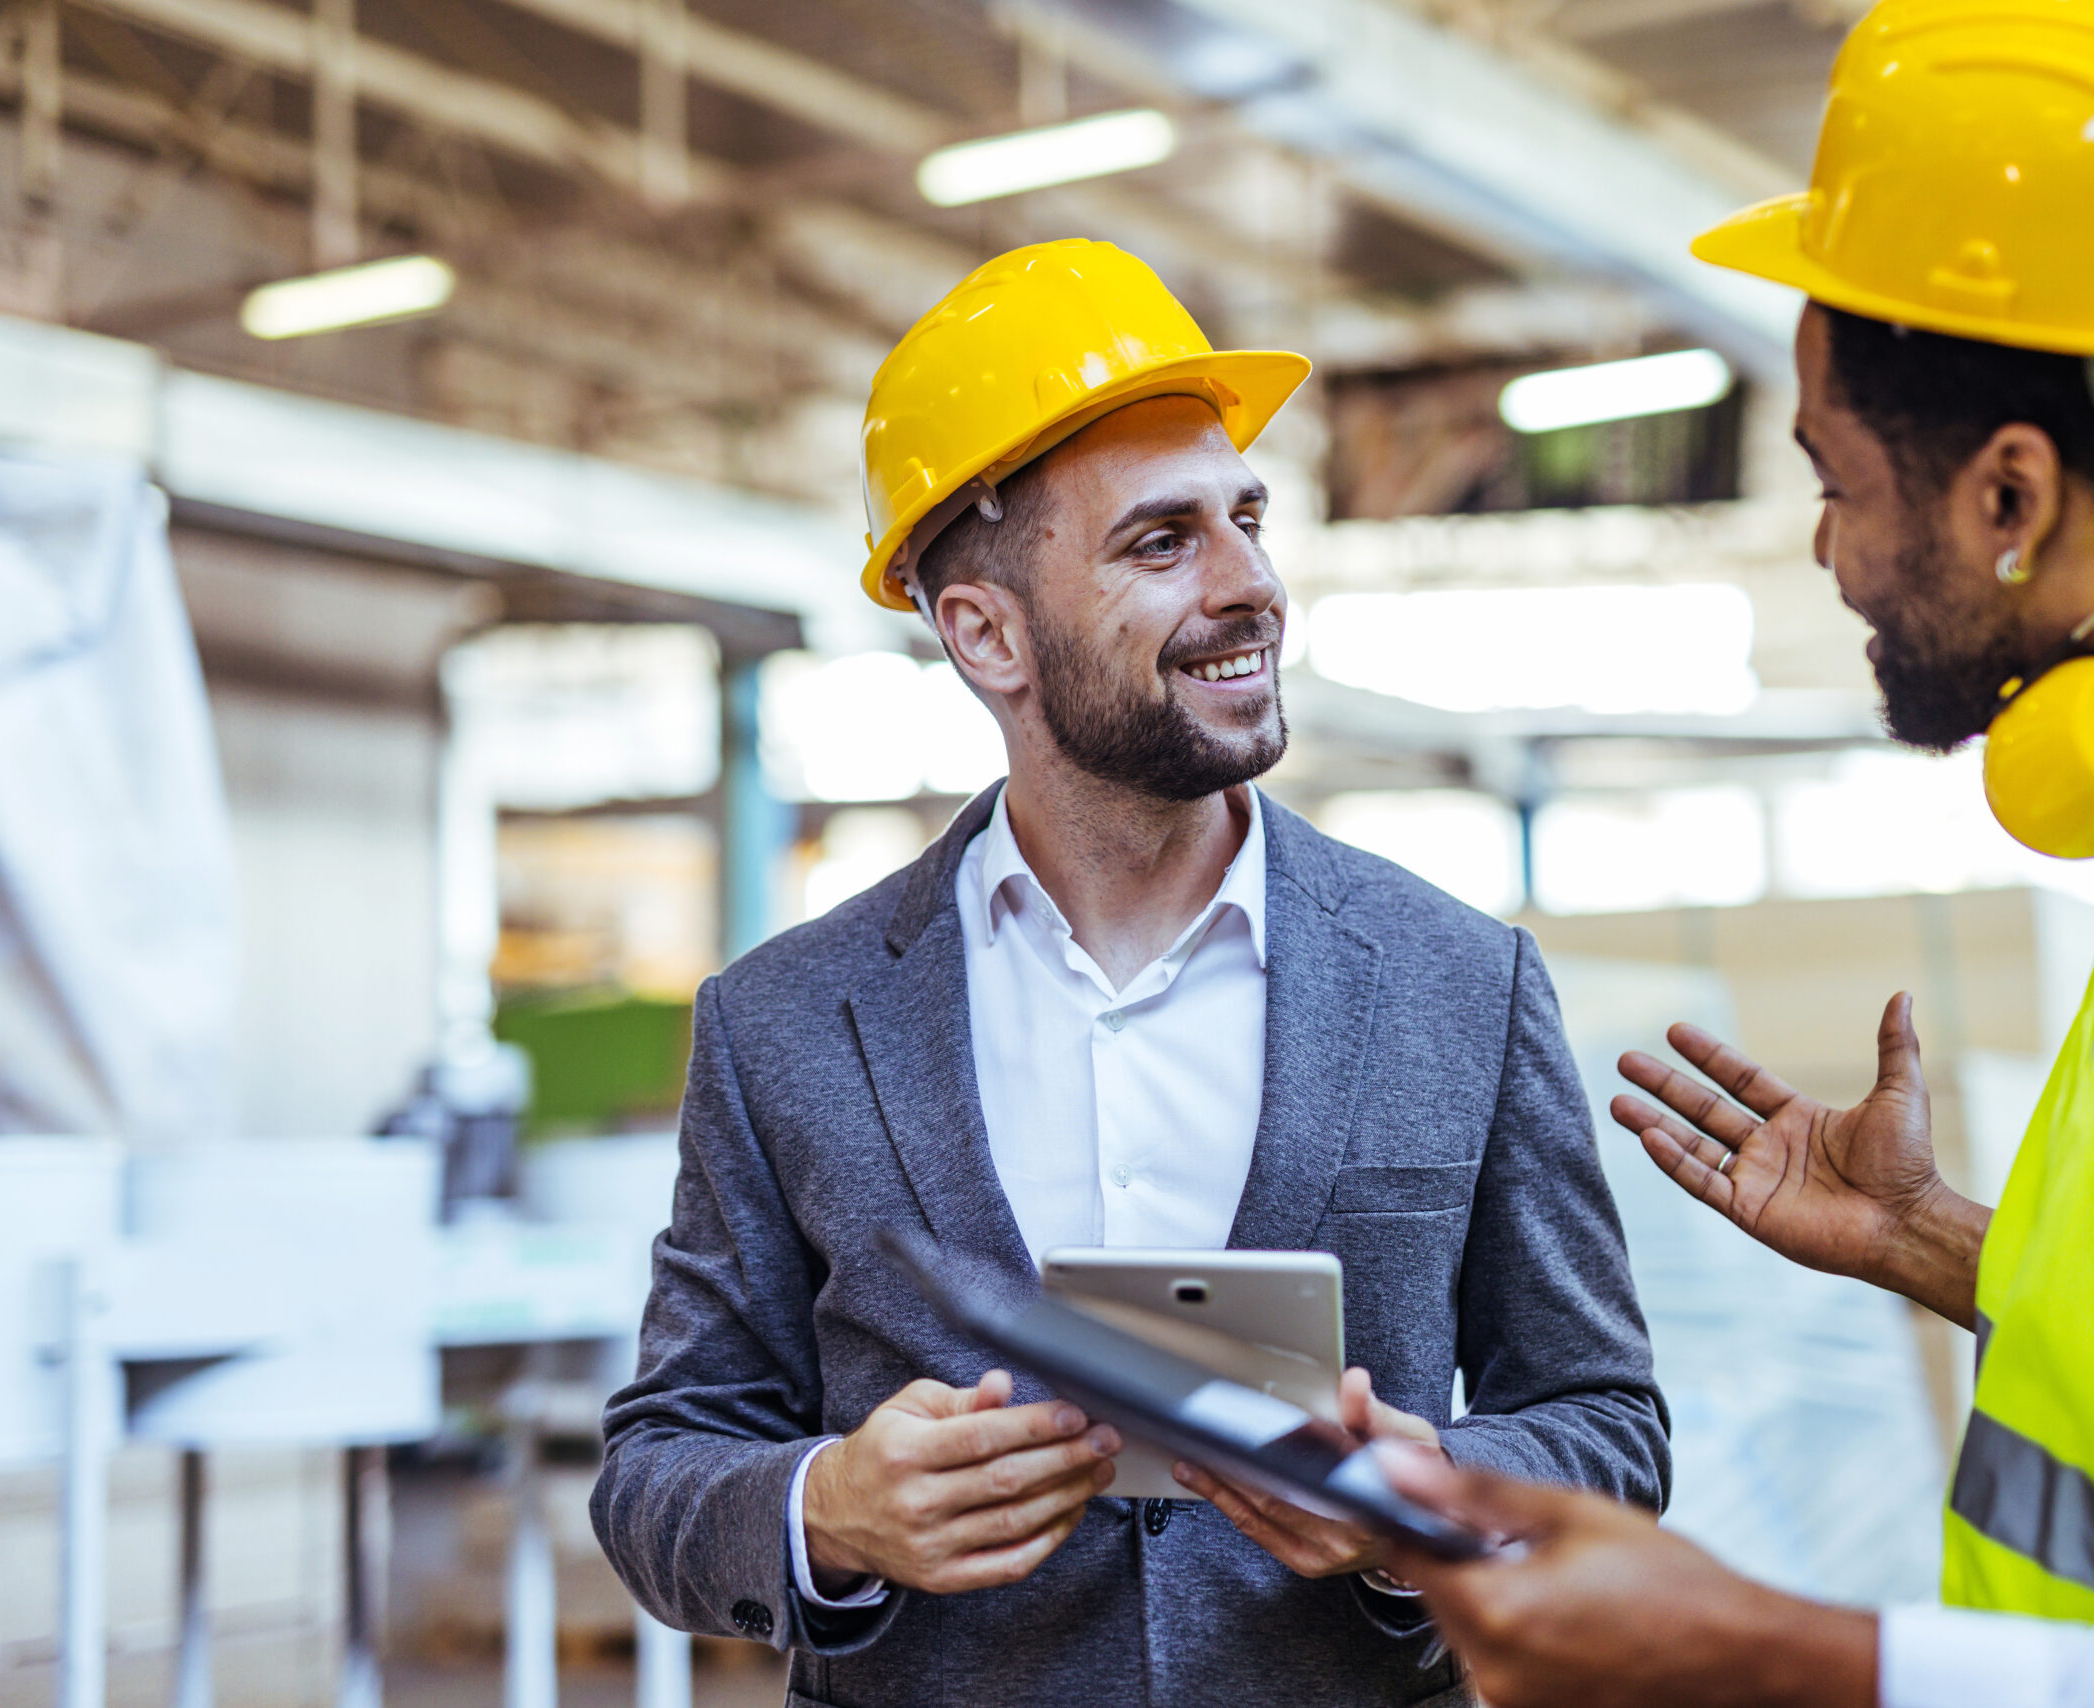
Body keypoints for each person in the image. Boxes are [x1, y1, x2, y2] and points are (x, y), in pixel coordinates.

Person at [1377, 0, 2094, 1703]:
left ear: (2010, 496)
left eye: (1836, 482)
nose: (1826, 552)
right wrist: (1937, 1246)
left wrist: (1776, 1652)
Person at [590, 239, 1669, 1708]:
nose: (1252, 588)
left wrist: (1432, 1491)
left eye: (1248, 519)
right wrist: (828, 1509)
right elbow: (663, 1462)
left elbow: (1604, 1422)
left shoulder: (1457, 983)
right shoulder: (788, 1022)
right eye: (1162, 545)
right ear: (984, 633)